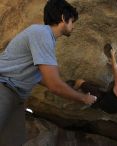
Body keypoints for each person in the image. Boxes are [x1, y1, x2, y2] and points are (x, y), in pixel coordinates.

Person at [0, 0, 96, 145]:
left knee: (13, 142)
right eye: (72, 21)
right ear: (64, 18)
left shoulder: (47, 39)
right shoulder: (41, 33)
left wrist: (68, 86)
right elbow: (53, 85)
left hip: (17, 97)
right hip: (4, 88)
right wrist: (83, 98)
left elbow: (40, 77)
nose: (73, 26)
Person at [67, 46, 117, 114]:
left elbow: (115, 68)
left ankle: (74, 89)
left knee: (80, 81)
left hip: (103, 102)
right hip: (114, 109)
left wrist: (112, 54)